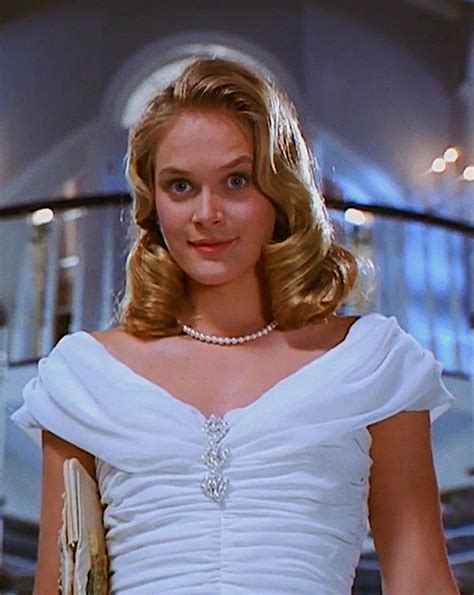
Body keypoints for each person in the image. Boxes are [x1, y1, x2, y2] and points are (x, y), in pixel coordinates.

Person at [11, 57, 459, 594]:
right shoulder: (85, 377)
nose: (207, 214)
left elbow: (421, 580)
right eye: (181, 186)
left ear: (280, 193)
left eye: (236, 181)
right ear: (153, 204)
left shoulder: (372, 365)